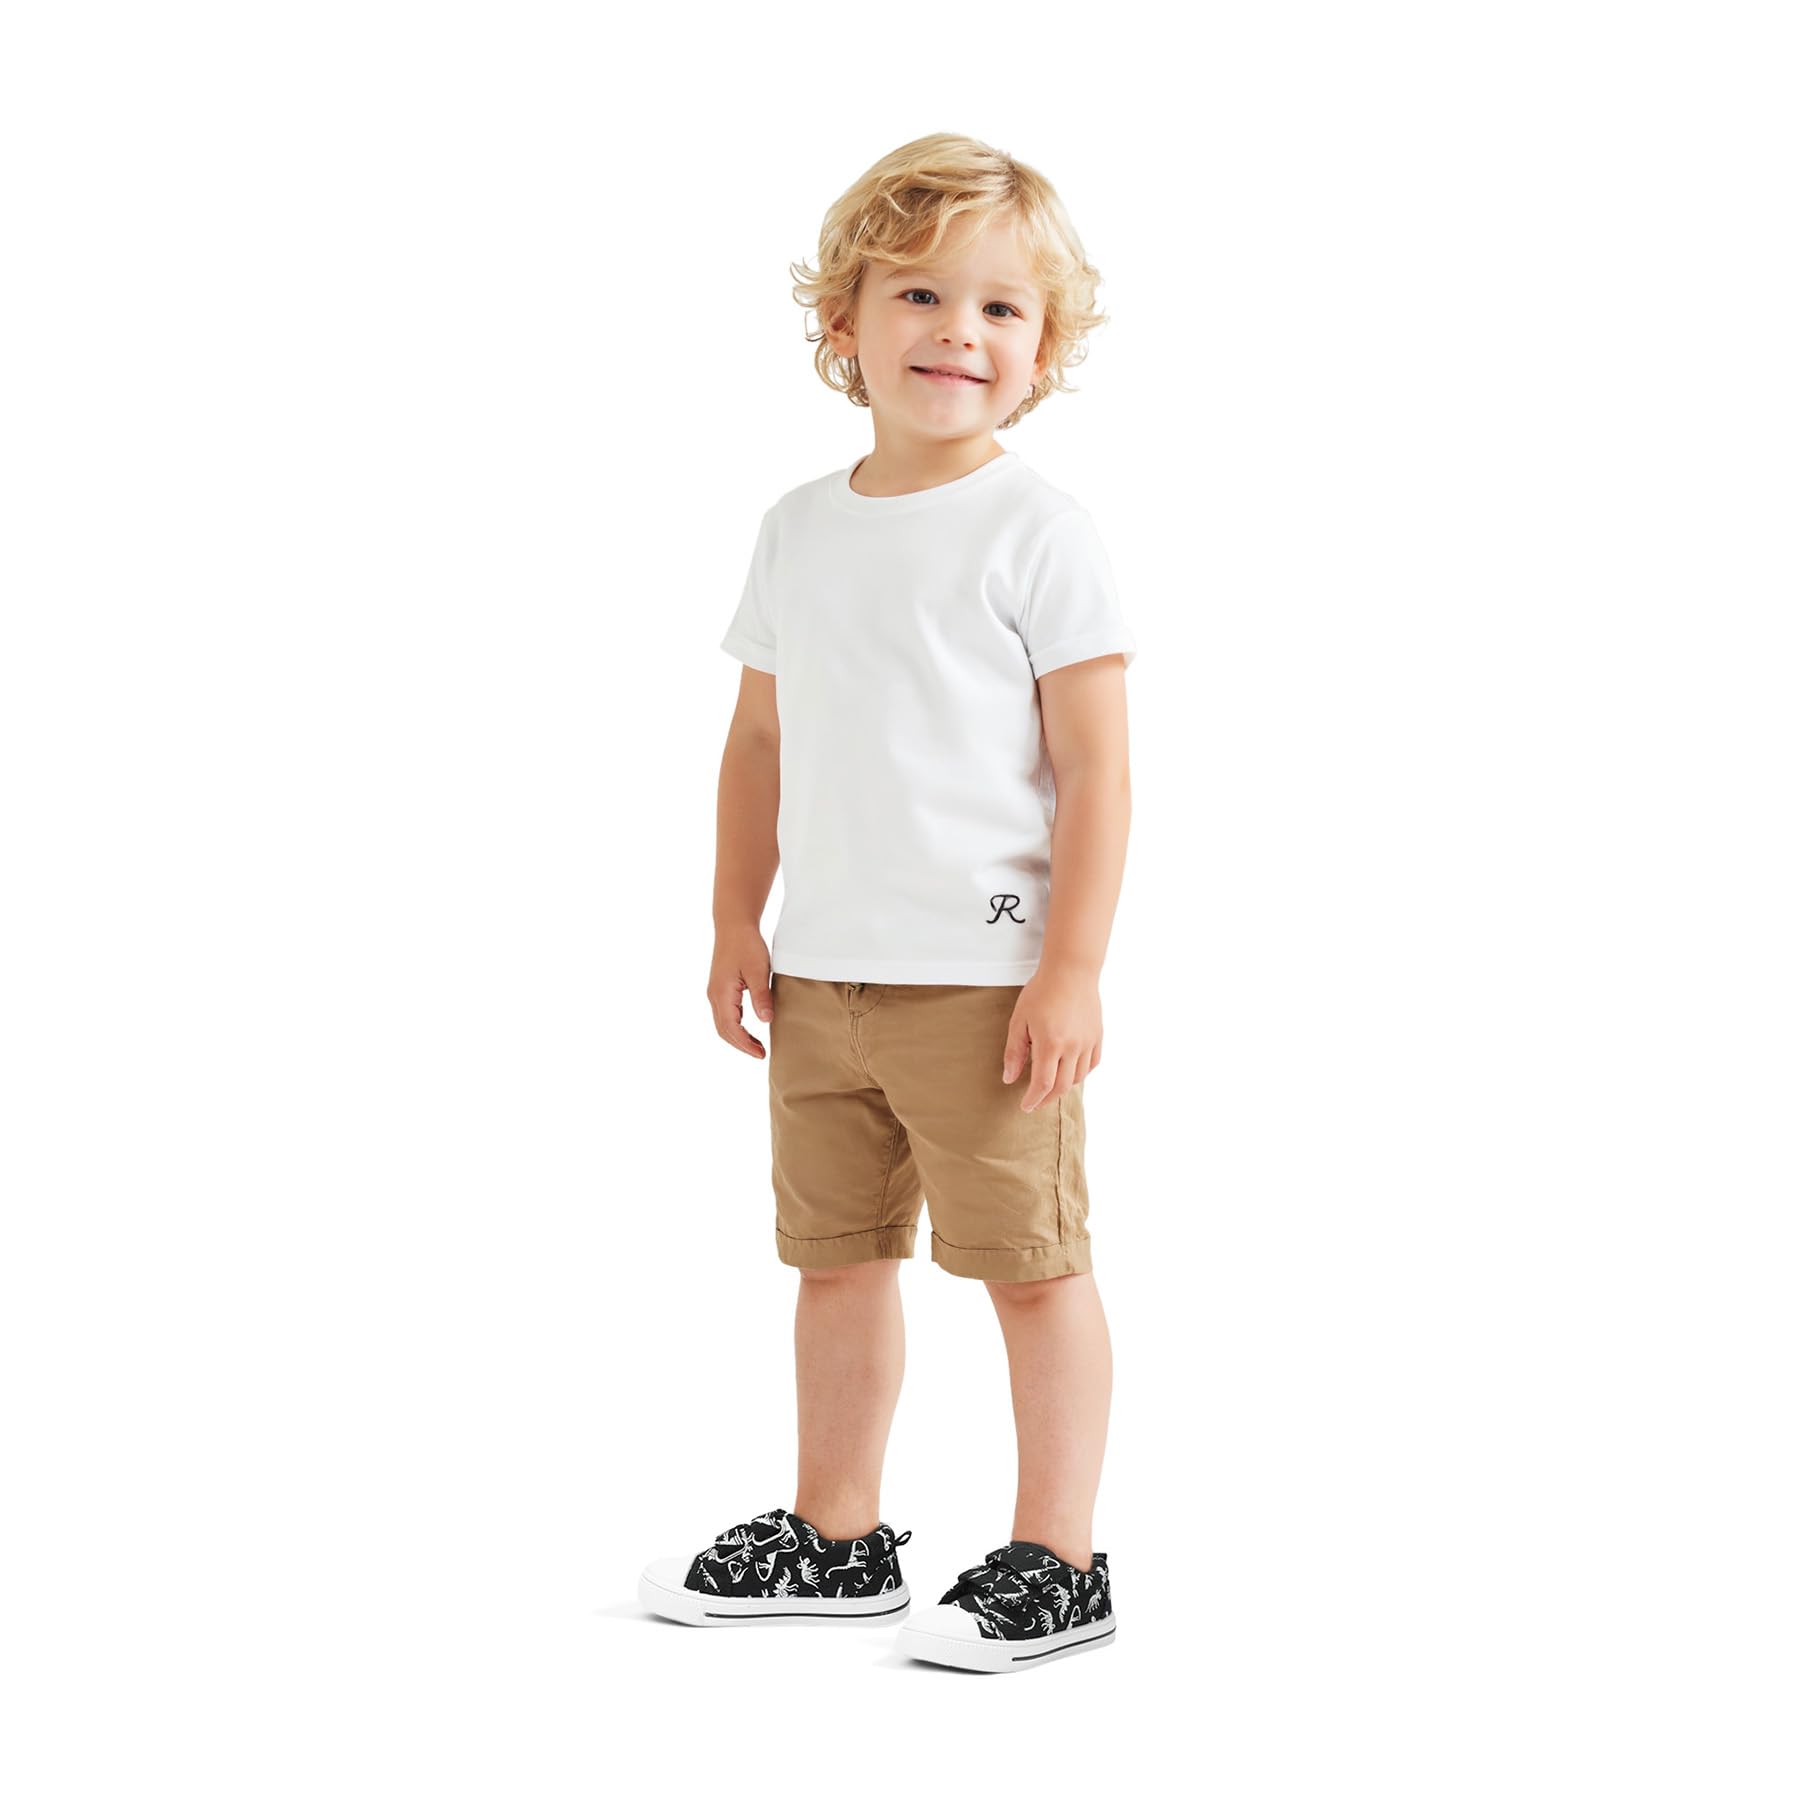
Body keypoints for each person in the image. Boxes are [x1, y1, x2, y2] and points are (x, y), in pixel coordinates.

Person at [638, 133, 1137, 1673]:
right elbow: (760, 741)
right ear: (840, 321)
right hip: (824, 980)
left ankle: (1059, 1557)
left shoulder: (1039, 532)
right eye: (918, 294)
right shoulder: (798, 528)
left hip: (984, 988)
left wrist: (1071, 968)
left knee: (1030, 1268)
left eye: (1000, 308)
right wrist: (736, 918)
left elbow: (1097, 769)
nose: (956, 333)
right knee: (836, 1258)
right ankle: (836, 1533)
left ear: (1042, 348)